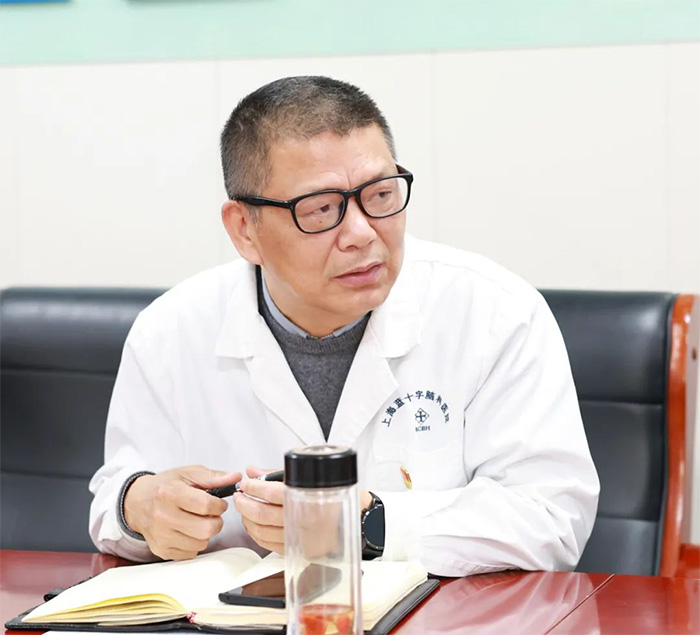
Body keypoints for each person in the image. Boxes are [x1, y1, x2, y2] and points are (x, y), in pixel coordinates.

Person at [89, 76, 599, 576]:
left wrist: (370, 524)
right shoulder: (169, 332)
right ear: (245, 229)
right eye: (321, 209)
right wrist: (138, 507)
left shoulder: (495, 312)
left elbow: (552, 517)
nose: (361, 233)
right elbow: (114, 499)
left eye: (380, 195)